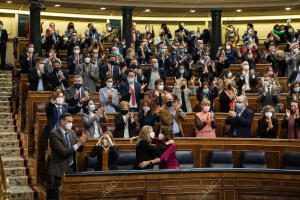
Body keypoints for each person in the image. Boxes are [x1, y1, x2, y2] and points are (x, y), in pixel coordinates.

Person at [47, 113, 89, 200]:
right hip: (59, 169)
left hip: (72, 167)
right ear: (62, 121)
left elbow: (78, 149)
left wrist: (83, 142)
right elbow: (63, 152)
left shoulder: (72, 132)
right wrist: (79, 143)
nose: (71, 123)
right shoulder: (54, 135)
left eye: (72, 121)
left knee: (70, 194)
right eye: (69, 121)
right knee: (58, 195)